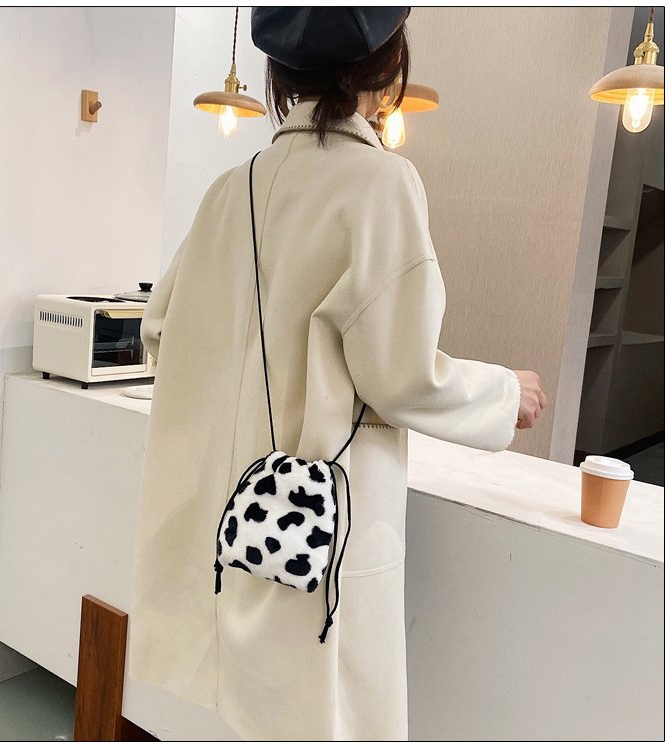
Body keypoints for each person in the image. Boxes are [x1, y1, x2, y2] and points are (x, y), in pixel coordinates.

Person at [128, 7, 547, 741]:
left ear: (279, 72)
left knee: (251, 705)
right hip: (321, 527)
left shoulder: (233, 186)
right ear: (388, 66)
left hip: (235, 525)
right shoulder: (382, 183)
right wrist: (505, 393)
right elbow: (400, 373)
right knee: (326, 715)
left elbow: (160, 328)